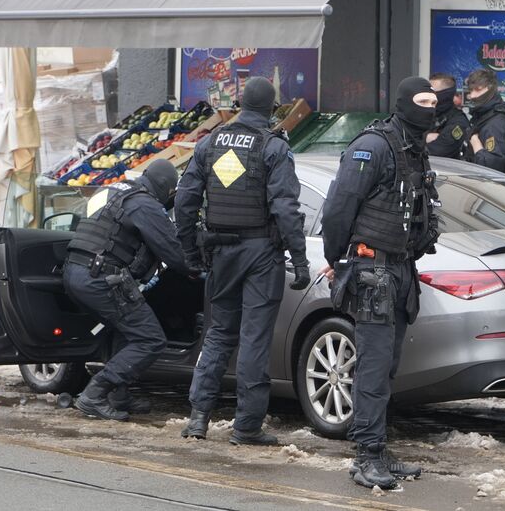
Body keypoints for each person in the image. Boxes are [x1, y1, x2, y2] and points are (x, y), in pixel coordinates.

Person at [319, 77, 442, 490]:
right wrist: (335, 258)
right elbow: (339, 207)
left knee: (386, 366)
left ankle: (379, 446)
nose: (430, 108)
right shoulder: (373, 147)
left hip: (401, 270)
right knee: (371, 367)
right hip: (373, 271)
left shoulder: (415, 148)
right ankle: (366, 455)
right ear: (404, 103)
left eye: (435, 102)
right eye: (422, 102)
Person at [175, 77, 309, 446]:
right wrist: (299, 260)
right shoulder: (273, 147)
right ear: (272, 108)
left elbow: (184, 199)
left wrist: (190, 250)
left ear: (240, 104)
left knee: (218, 333)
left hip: (221, 253)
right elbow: (286, 208)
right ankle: (247, 426)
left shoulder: (211, 142)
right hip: (261, 254)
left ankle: (197, 418)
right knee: (253, 339)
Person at [63, 160, 196, 420]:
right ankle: (95, 394)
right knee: (150, 339)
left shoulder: (110, 190)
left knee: (126, 329)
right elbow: (175, 255)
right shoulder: (145, 204)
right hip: (102, 278)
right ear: (165, 189)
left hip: (75, 271)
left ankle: (118, 395)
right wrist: (198, 265)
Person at [464, 69, 505, 175]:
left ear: (490, 89)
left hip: (492, 187)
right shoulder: (491, 113)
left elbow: (491, 167)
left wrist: (474, 139)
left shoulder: (497, 123)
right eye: (471, 91)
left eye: (478, 90)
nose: (473, 95)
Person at [425, 73, 470, 159]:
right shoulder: (427, 114)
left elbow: (436, 151)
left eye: (432, 92)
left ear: (445, 95)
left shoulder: (458, 122)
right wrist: (425, 137)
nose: (428, 95)